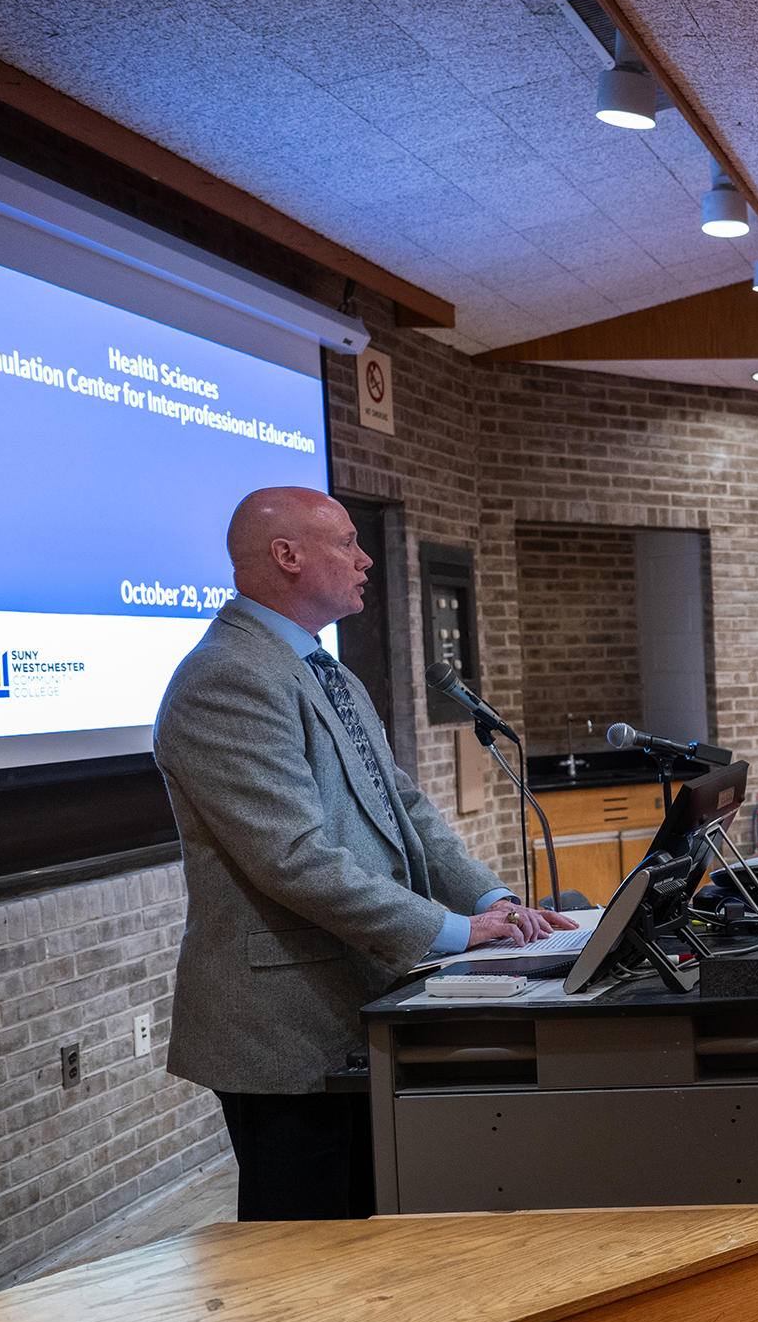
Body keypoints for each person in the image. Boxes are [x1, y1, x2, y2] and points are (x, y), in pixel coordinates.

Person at [155, 486, 568, 1222]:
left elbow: (404, 807)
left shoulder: (327, 672)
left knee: (373, 1227)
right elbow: (291, 856)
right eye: (347, 541)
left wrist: (490, 899)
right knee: (305, 1253)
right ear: (287, 555)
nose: (366, 558)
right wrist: (451, 931)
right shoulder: (227, 676)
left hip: (360, 999)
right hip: (283, 1024)